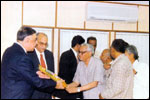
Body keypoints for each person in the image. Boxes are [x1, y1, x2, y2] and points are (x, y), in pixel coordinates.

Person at [1, 26, 64, 99]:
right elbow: (36, 82)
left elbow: (19, 72)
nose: (36, 43)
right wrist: (56, 84)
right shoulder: (22, 57)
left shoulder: (9, 50)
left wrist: (36, 73)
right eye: (35, 40)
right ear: (27, 40)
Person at [28, 33, 55, 99]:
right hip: (33, 94)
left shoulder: (49, 54)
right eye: (41, 43)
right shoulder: (29, 54)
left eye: (46, 44)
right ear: (36, 42)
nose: (44, 47)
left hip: (47, 94)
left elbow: (51, 74)